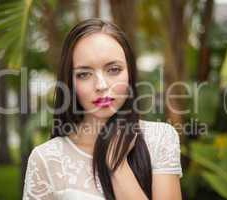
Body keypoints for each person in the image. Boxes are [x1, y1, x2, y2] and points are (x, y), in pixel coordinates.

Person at [22, 18, 183, 200]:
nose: (101, 85)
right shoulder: (46, 158)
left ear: (130, 73)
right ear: (69, 82)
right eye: (84, 74)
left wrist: (118, 166)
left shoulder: (160, 138)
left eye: (113, 69)